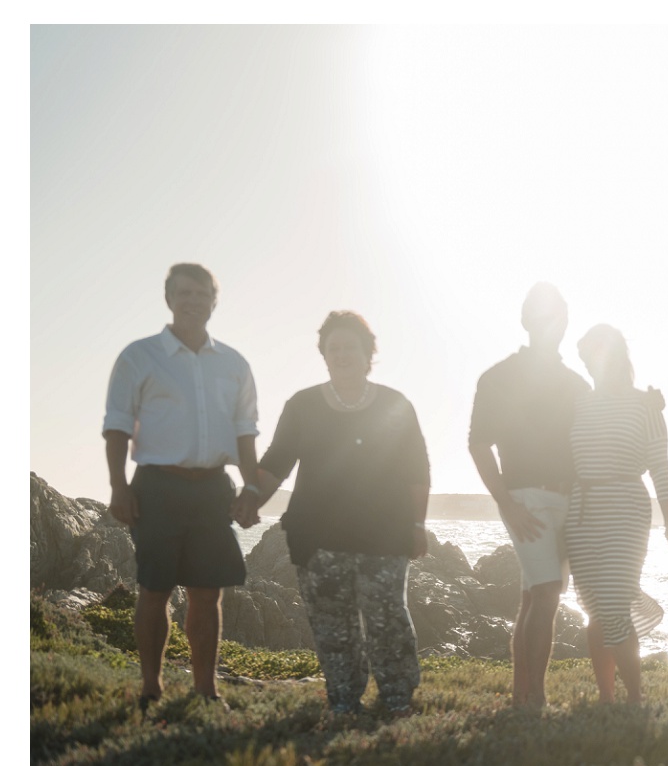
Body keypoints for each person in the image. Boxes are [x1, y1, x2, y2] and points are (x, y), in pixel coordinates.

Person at [245, 311, 430, 717]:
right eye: (334, 348)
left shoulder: (396, 405)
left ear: (368, 354)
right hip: (319, 538)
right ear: (324, 356)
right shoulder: (303, 405)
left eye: (351, 346)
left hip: (385, 536)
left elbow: (417, 470)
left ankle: (397, 697)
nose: (343, 354)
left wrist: (418, 525)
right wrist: (248, 501)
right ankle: (344, 700)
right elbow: (276, 463)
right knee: (334, 627)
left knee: (388, 620)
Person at [101, 263, 261, 711]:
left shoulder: (234, 364)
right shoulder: (139, 356)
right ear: (169, 299)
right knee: (155, 590)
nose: (193, 301)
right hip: (156, 486)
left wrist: (252, 490)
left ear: (215, 300)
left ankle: (205, 688)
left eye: (202, 294)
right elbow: (116, 427)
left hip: (213, 489)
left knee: (208, 593)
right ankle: (151, 686)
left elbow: (246, 433)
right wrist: (119, 486)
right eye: (184, 293)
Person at [468, 283, 590, 708]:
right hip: (526, 500)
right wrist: (506, 503)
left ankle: (521, 696)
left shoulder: (577, 385)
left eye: (557, 316)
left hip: (570, 501)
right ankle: (534, 698)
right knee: (548, 595)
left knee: (531, 597)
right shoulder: (498, 378)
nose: (549, 325)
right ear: (526, 322)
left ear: (565, 322)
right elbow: (479, 445)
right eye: (541, 317)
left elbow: (591, 446)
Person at [565, 324, 668, 705]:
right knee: (595, 607)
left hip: (626, 506)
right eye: (585, 359)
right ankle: (607, 697)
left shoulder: (644, 405)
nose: (592, 365)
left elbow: (661, 466)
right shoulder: (579, 403)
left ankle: (634, 697)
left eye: (595, 355)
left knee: (613, 602)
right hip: (581, 510)